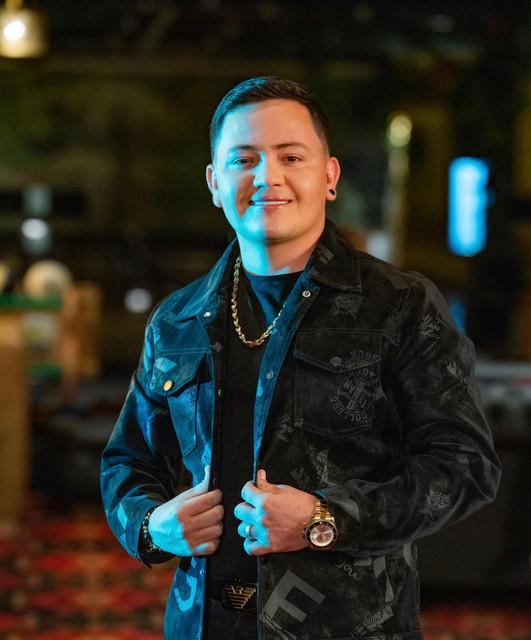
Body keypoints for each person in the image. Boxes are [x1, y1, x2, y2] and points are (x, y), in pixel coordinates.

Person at [100, 76, 501, 640]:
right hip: (201, 622)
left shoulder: (399, 305)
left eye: (291, 156)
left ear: (328, 176)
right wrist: (150, 525)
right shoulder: (177, 319)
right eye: (244, 160)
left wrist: (324, 518)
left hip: (349, 625)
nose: (268, 177)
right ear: (215, 182)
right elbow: (128, 460)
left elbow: (464, 466)